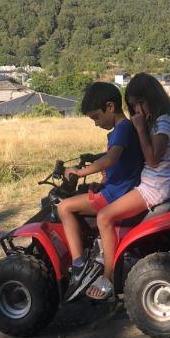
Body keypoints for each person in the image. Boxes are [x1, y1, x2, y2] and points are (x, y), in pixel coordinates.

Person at [86, 72, 170, 301]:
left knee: (103, 217)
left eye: (140, 103)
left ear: (153, 98)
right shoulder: (160, 121)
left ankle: (108, 278)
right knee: (110, 200)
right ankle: (104, 253)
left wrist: (139, 128)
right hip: (152, 183)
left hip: (153, 188)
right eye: (133, 106)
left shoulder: (164, 123)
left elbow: (152, 160)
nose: (137, 110)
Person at [59, 81, 143, 301]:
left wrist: (80, 172)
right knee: (81, 198)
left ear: (110, 107)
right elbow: (120, 164)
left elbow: (112, 158)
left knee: (64, 207)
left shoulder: (123, 128)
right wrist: (99, 182)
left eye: (96, 117)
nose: (96, 124)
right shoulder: (124, 129)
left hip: (117, 194)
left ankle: (78, 266)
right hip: (120, 188)